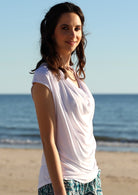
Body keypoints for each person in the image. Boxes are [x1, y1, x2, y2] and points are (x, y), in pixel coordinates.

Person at [31, 2, 103, 195]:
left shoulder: (74, 75)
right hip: (64, 181)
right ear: (51, 33)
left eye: (77, 29)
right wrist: (60, 190)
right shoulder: (44, 77)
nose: (73, 35)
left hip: (91, 177)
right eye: (65, 28)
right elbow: (48, 141)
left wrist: (93, 175)